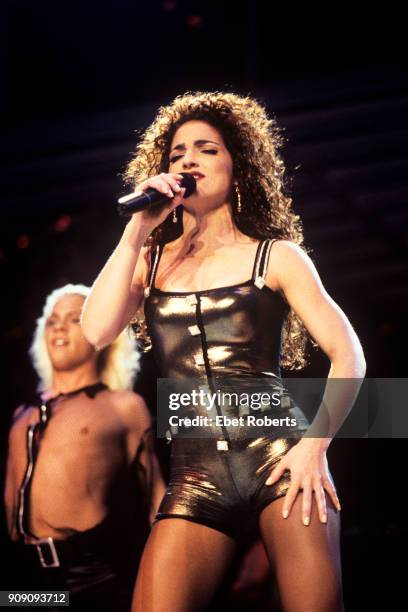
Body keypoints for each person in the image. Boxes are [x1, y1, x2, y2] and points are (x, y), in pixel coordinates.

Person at [81, 92, 366, 611]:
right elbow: (97, 330)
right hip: (195, 477)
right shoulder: (151, 260)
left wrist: (315, 445)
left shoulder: (275, 256)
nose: (187, 160)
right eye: (176, 154)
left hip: (279, 463)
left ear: (237, 166)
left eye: (205, 149)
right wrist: (135, 232)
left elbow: (350, 356)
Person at [4, 284, 165, 611]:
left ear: (100, 333)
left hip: (90, 579)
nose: (60, 326)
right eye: (52, 320)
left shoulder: (124, 406)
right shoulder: (22, 414)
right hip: (24, 580)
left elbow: (158, 504)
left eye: (75, 318)